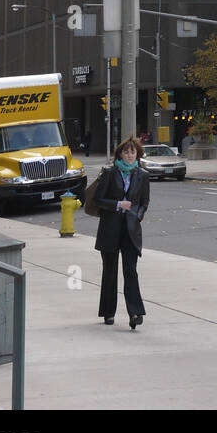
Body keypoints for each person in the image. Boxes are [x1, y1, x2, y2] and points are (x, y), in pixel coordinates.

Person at [95, 135, 150, 329]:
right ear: (119, 154)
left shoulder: (142, 175)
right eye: (126, 151)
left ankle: (135, 312)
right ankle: (108, 313)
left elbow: (144, 202)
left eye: (132, 151)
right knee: (110, 272)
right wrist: (118, 204)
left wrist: (137, 215)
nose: (129, 155)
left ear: (137, 154)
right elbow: (97, 200)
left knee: (130, 271)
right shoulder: (110, 173)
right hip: (110, 229)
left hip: (131, 230)